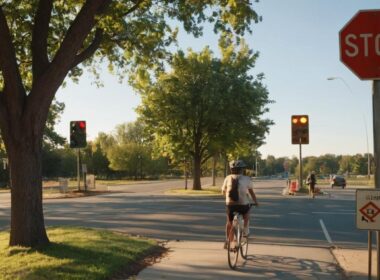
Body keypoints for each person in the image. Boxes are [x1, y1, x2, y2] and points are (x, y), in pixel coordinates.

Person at [222, 160, 258, 249]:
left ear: (231, 170)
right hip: (242, 205)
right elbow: (251, 193)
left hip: (230, 205)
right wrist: (256, 202)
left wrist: (227, 198)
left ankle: (227, 241)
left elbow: (223, 191)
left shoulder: (227, 178)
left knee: (229, 222)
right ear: (242, 170)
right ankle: (245, 229)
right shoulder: (246, 179)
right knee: (247, 212)